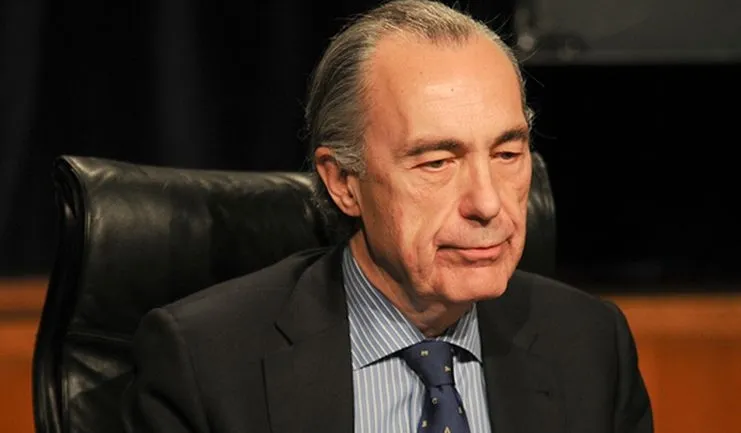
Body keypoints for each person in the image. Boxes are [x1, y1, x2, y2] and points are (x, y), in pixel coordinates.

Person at [122, 1, 653, 432]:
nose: (488, 203)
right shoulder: (205, 364)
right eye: (437, 162)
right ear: (343, 182)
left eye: (507, 154)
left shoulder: (590, 345)